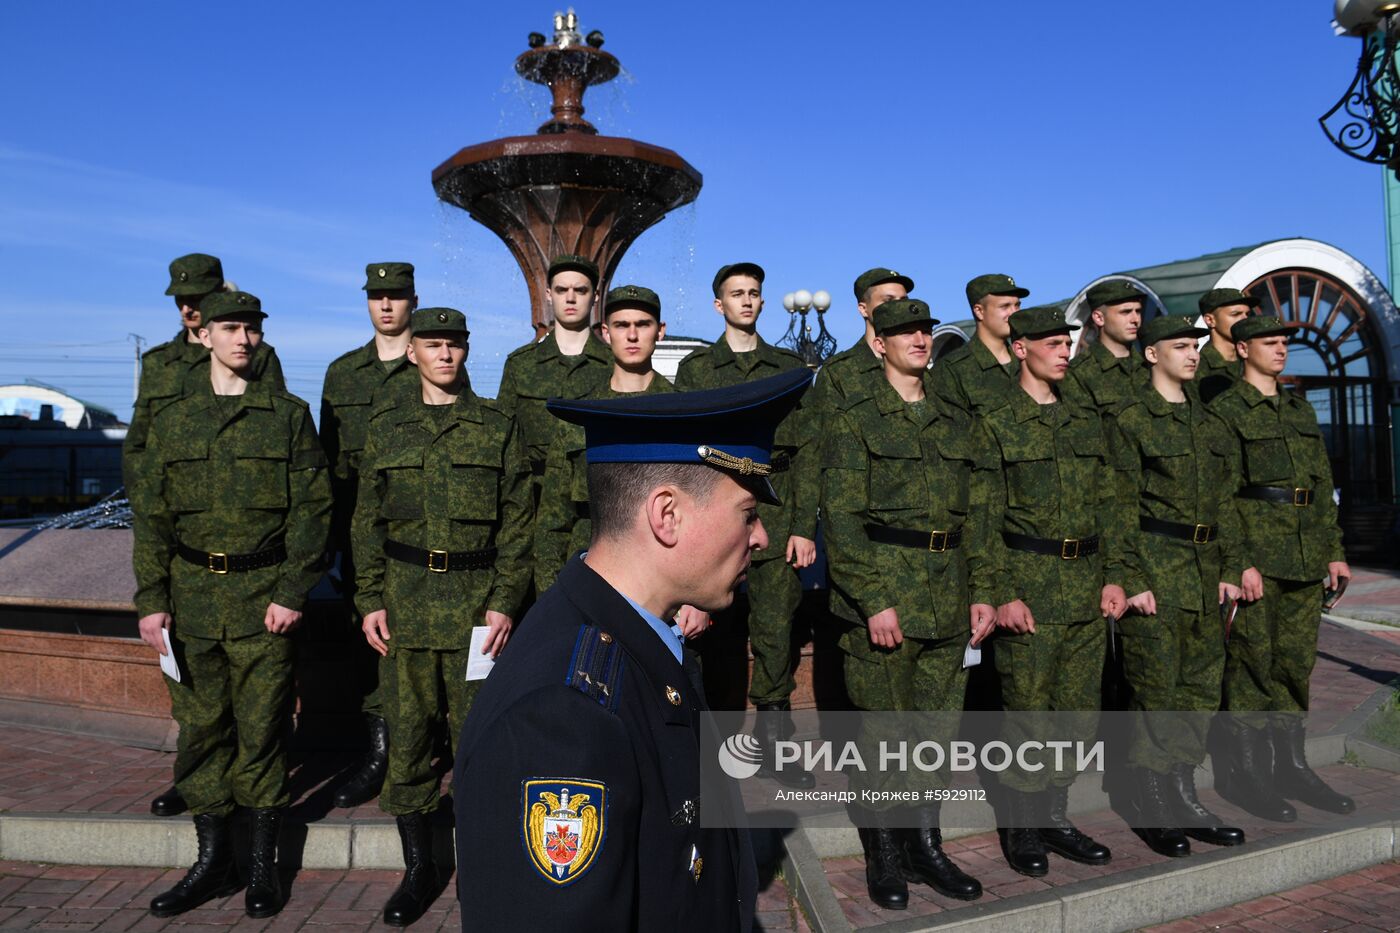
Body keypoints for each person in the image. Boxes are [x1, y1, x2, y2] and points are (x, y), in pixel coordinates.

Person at [453, 367, 812, 932]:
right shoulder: (565, 716)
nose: (761, 536)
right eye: (748, 513)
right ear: (666, 515)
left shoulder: (638, 633)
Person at [132, 290, 331, 919]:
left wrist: (291, 590)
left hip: (261, 601)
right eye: (230, 328)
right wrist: (151, 601)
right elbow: (152, 517)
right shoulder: (173, 420)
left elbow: (313, 509)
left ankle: (261, 866)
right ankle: (212, 861)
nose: (242, 339)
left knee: (263, 732)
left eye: (250, 329)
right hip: (190, 602)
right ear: (206, 336)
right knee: (201, 731)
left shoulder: (288, 415)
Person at [353, 307, 532, 926]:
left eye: (454, 344)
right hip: (404, 607)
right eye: (433, 345)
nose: (445, 355)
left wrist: (505, 601)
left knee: (482, 746)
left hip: (476, 612)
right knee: (406, 744)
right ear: (413, 353)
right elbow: (366, 521)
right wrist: (369, 598)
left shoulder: (496, 425)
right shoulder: (388, 427)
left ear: (466, 351)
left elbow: (518, 524)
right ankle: (419, 869)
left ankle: (487, 865)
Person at [821, 298, 994, 908]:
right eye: (902, 331)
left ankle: (926, 844)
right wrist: (872, 601)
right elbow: (841, 521)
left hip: (948, 599)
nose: (918, 339)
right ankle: (885, 855)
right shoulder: (855, 418)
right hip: (886, 599)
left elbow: (978, 515)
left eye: (923, 330)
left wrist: (984, 593)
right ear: (880, 342)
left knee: (934, 736)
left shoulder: (955, 418)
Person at [125, 255, 289, 820]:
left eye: (200, 296)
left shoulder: (257, 355)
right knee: (199, 712)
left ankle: (245, 808)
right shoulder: (162, 363)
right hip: (190, 548)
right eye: (181, 298)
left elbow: (277, 440)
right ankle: (201, 792)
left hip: (252, 558)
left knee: (257, 713)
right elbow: (141, 446)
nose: (189, 305)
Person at [977, 305, 1129, 878]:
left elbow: (1109, 505)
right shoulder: (996, 421)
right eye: (1051, 343)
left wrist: (1115, 575)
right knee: (1027, 716)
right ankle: (1021, 824)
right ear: (1020, 349)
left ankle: (1056, 816)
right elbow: (985, 520)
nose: (1064, 351)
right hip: (1030, 590)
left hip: (1086, 589)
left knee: (1075, 715)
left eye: (1067, 343)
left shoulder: (1084, 421)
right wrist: (1003, 593)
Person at [675, 263, 816, 786]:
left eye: (755, 293)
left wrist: (801, 525)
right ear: (719, 305)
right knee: (718, 635)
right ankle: (721, 752)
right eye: (737, 294)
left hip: (775, 512)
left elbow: (806, 451)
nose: (748, 301)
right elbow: (686, 455)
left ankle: (777, 749)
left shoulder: (786, 366)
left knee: (777, 631)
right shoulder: (696, 370)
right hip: (716, 511)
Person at [1210, 315, 1355, 820]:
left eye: (1283, 342)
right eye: (1269, 342)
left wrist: (1333, 550)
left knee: (1295, 667)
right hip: (1259, 562)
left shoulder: (1297, 408)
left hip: (1303, 557)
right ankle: (1247, 776)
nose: (1280, 349)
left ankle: (1291, 766)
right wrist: (1239, 560)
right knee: (1251, 668)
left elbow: (1320, 483)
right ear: (1243, 348)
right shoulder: (1225, 410)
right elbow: (1220, 494)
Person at [1113, 314, 1247, 856]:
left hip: (1205, 574)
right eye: (1180, 346)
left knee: (1197, 689)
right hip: (1156, 570)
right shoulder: (1130, 420)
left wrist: (1233, 569)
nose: (1192, 354)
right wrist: (1131, 577)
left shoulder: (1211, 425)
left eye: (1195, 346)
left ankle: (1184, 792)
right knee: (1155, 691)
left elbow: (1228, 504)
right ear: (1152, 354)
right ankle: (1149, 800)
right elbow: (1117, 506)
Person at [321, 262, 422, 810]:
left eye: (397, 296)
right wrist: (330, 545)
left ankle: (417, 750)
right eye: (377, 297)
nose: (386, 306)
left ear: (412, 300)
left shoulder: (430, 363)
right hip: (361, 540)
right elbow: (329, 467)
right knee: (370, 649)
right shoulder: (343, 374)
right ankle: (378, 751)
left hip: (419, 531)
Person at [535, 284, 676, 590]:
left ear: (660, 331)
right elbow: (553, 520)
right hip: (590, 575)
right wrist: (551, 596)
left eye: (643, 325)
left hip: (664, 579)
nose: (633, 335)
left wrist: (695, 597)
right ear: (605, 332)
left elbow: (702, 512)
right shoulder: (580, 415)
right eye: (622, 325)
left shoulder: (684, 412)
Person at [496, 254, 613, 513]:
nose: (570, 298)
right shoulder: (520, 364)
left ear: (595, 297)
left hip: (596, 504)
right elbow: (503, 441)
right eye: (562, 290)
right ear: (549, 294)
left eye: (580, 290)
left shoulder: (615, 365)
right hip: (532, 505)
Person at [929, 273, 1029, 417]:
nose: (1014, 313)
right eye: (1005, 306)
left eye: (1017, 305)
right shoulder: (951, 370)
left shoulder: (1029, 360)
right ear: (979, 311)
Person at [1062, 280, 1150, 417]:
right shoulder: (1077, 374)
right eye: (1126, 312)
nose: (1135, 319)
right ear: (1099, 318)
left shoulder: (1151, 367)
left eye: (1138, 311)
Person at [1193, 288, 1258, 405]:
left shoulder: (1255, 364)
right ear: (1210, 320)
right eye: (1235, 314)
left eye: (1247, 314)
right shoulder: (1195, 368)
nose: (1245, 319)